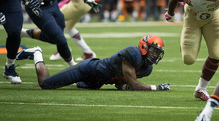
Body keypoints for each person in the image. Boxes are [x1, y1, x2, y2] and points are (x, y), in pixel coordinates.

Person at [16, 34, 170, 91]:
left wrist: (123, 86)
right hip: (88, 70)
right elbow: (135, 85)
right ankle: (36, 53)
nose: (155, 55)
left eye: (157, 53)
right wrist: (156, 87)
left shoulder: (146, 69)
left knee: (77, 86)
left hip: (97, 83)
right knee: (45, 84)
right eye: (153, 50)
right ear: (144, 47)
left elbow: (122, 82)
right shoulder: (133, 53)